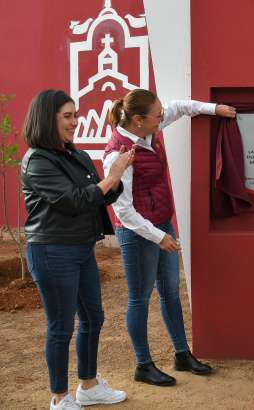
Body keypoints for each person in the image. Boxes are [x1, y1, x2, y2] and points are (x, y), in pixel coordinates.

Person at [103, 89, 236, 386]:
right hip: (137, 233)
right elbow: (123, 211)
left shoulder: (148, 128)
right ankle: (143, 365)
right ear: (139, 120)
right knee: (139, 298)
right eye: (157, 116)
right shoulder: (117, 154)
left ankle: (181, 354)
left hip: (161, 224)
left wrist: (215, 108)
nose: (162, 118)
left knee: (170, 292)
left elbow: (179, 107)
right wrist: (158, 237)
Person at [22, 89, 134, 410]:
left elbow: (99, 195)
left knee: (93, 318)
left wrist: (117, 177)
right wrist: (112, 176)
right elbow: (74, 201)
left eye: (76, 115)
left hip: (81, 247)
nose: (75, 122)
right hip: (52, 251)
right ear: (48, 119)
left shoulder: (76, 155)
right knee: (61, 327)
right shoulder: (37, 161)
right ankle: (59, 398)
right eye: (67, 116)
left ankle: (88, 386)